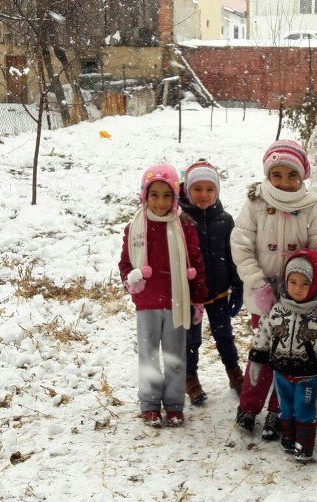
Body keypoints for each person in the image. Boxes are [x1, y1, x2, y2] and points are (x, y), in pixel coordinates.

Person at [230, 139, 317, 440]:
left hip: (299, 300)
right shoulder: (255, 203)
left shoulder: (309, 207)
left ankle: (280, 411)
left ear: (302, 175)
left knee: (290, 358)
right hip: (263, 298)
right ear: (268, 174)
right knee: (262, 353)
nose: (284, 181)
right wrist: (258, 284)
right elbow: (241, 246)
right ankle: (249, 407)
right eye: (277, 174)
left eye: (292, 175)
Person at [118, 163, 208, 427]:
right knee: (148, 354)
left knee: (175, 355)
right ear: (145, 195)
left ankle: (174, 403)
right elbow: (125, 263)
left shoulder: (184, 226)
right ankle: (149, 403)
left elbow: (196, 262)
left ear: (176, 197)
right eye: (154, 195)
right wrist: (130, 279)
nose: (160, 202)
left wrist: (197, 296)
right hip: (147, 302)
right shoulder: (135, 228)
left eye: (167, 195)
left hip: (176, 302)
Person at [248, 249, 317, 463]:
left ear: (315, 284)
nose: (297, 289)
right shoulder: (277, 310)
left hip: (308, 376)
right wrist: (256, 359)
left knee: (305, 409)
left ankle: (304, 445)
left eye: (304, 284)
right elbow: (263, 333)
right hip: (281, 372)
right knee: (286, 408)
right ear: (286, 281)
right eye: (293, 282)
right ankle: (289, 439)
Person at [179, 160, 244, 405]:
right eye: (197, 189)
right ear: (187, 190)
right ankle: (190, 377)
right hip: (191, 295)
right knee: (191, 339)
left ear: (217, 192)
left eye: (209, 189)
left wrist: (238, 286)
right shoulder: (180, 220)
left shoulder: (225, 220)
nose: (203, 195)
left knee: (224, 335)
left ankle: (234, 373)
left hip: (218, 292)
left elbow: (233, 255)